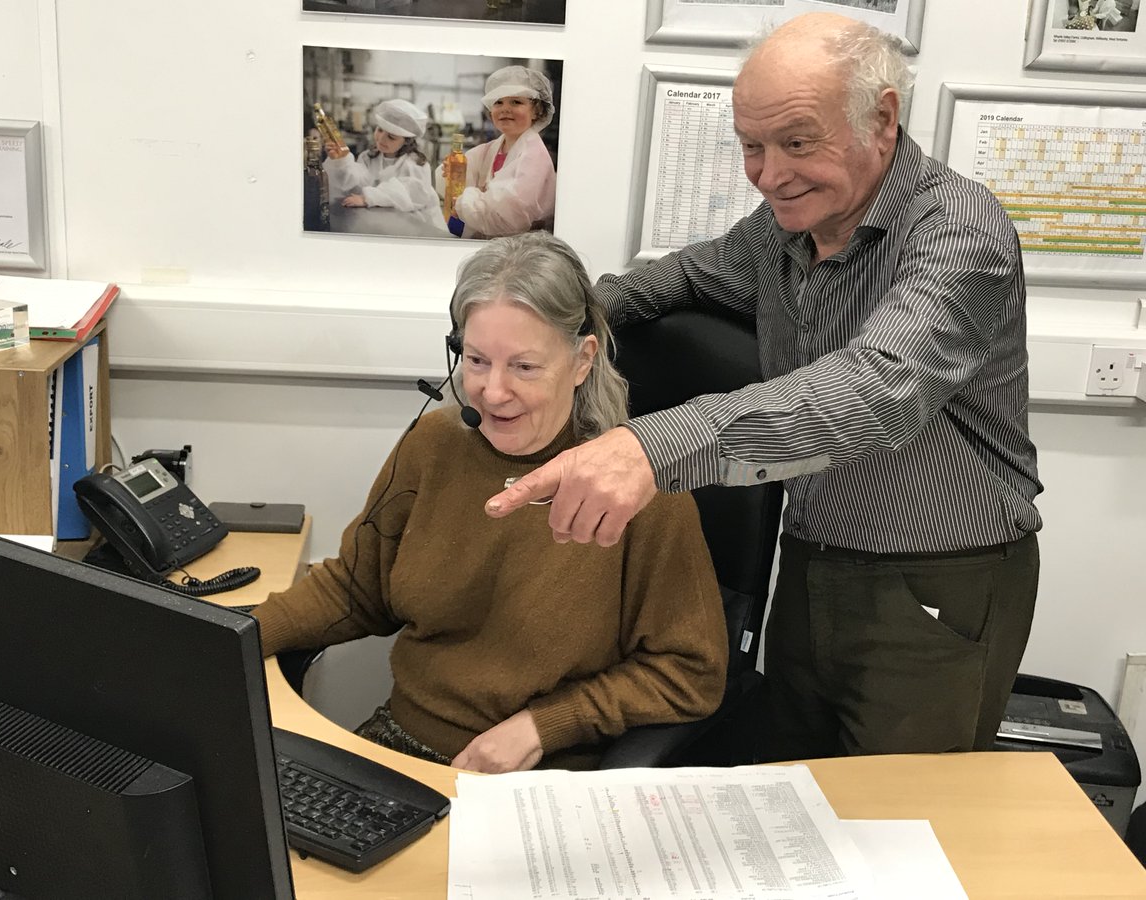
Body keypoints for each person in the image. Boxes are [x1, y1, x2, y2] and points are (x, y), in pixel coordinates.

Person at [486, 13, 1043, 762]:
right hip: (812, 559)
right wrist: (549, 332)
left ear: (882, 119)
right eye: (752, 146)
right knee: (797, 790)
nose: (771, 174)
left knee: (898, 824)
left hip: (937, 582)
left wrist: (650, 446)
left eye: (798, 142)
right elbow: (674, 279)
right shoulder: (782, 227)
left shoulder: (959, 229)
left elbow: (879, 390)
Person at [250, 232, 727, 773]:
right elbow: (358, 589)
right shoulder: (433, 445)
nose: (493, 392)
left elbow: (691, 673)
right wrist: (231, 636)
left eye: (524, 367)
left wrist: (543, 727)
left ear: (581, 361)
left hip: (538, 778)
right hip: (402, 744)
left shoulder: (641, 490)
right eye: (477, 361)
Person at [448, 65, 557, 239]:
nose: (505, 108)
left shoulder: (534, 156)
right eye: (498, 102)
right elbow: (450, 178)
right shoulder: (490, 149)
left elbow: (509, 218)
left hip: (522, 248)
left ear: (537, 111)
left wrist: (465, 201)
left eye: (516, 102)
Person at [324, 98, 446, 231]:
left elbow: (411, 193)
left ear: (406, 141)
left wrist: (369, 197)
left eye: (391, 137)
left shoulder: (415, 164)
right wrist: (341, 161)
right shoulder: (369, 157)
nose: (381, 139)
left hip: (418, 226)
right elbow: (357, 183)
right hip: (381, 223)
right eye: (380, 130)